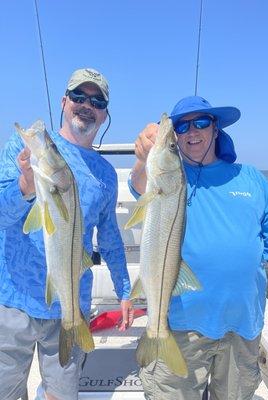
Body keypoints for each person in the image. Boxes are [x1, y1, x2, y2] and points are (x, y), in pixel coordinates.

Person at [129, 95, 268, 400]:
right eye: (181, 127)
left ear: (216, 129)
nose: (192, 131)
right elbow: (140, 184)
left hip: (242, 327)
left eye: (201, 122)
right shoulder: (170, 178)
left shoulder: (252, 179)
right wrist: (143, 158)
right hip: (182, 326)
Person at [0, 68, 133, 400]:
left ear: (105, 114)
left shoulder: (104, 173)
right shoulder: (23, 149)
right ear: (63, 102)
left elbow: (111, 238)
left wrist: (125, 290)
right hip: (13, 297)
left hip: (70, 305)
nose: (86, 105)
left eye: (97, 101)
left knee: (62, 395)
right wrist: (24, 187)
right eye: (78, 96)